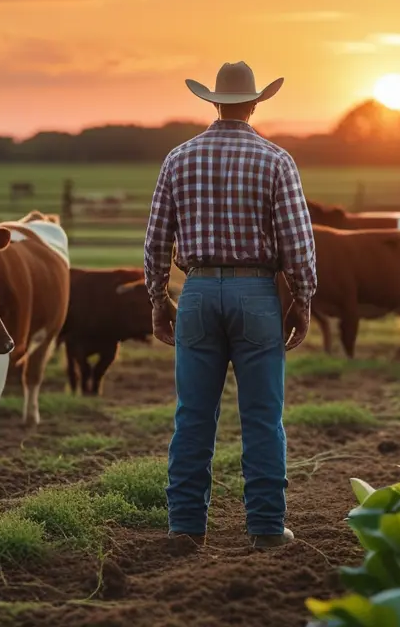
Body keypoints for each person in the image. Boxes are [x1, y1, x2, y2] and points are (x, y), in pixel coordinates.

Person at [143, 61, 316, 552]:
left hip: (197, 291)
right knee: (263, 416)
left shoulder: (178, 159)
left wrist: (159, 298)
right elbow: (298, 245)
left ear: (213, 103)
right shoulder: (277, 160)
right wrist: (302, 300)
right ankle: (264, 527)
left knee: (193, 415)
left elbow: (157, 240)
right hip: (256, 293)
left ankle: (185, 527)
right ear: (256, 103)